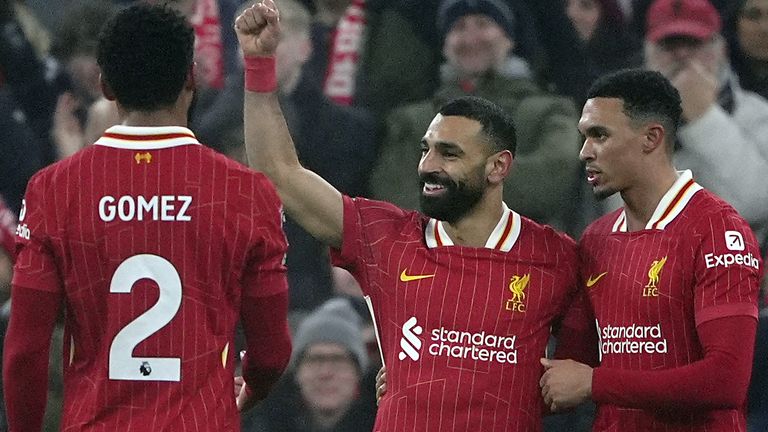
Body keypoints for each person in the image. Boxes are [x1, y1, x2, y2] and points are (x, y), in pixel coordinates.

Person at [235, 2, 596, 431]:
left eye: (449, 153)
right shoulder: (388, 239)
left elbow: (589, 370)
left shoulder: (555, 258)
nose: (427, 166)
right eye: (425, 150)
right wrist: (259, 68)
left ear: (498, 167)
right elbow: (280, 173)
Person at [2, 4, 292, 431]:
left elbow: (26, 351)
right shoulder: (244, 192)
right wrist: (251, 388)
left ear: (104, 85)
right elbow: (270, 351)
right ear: (191, 78)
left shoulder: (54, 190)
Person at [538, 69, 762, 431]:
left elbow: (726, 380)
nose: (584, 153)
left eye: (599, 135)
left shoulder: (717, 229)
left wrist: (596, 382)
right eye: (584, 137)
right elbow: (566, 372)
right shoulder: (596, 239)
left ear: (651, 138)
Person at [370, 0, 582, 234]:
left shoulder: (552, 112)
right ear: (445, 46)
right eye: (459, 27)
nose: (471, 39)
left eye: (483, 24)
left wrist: (449, 178)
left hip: (526, 256)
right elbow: (396, 196)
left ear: (509, 38)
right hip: (435, 257)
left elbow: (548, 185)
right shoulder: (410, 121)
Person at [643, 0, 768, 250]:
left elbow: (756, 205)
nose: (682, 55)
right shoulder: (625, 118)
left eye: (694, 44)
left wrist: (703, 118)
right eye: (669, 45)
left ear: (720, 50)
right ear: (648, 54)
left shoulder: (757, 113)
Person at [246, 297, 376, 431]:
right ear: (297, 372)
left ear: (358, 373)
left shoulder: (389, 423)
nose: (326, 373)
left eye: (338, 360)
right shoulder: (260, 423)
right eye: (315, 360)